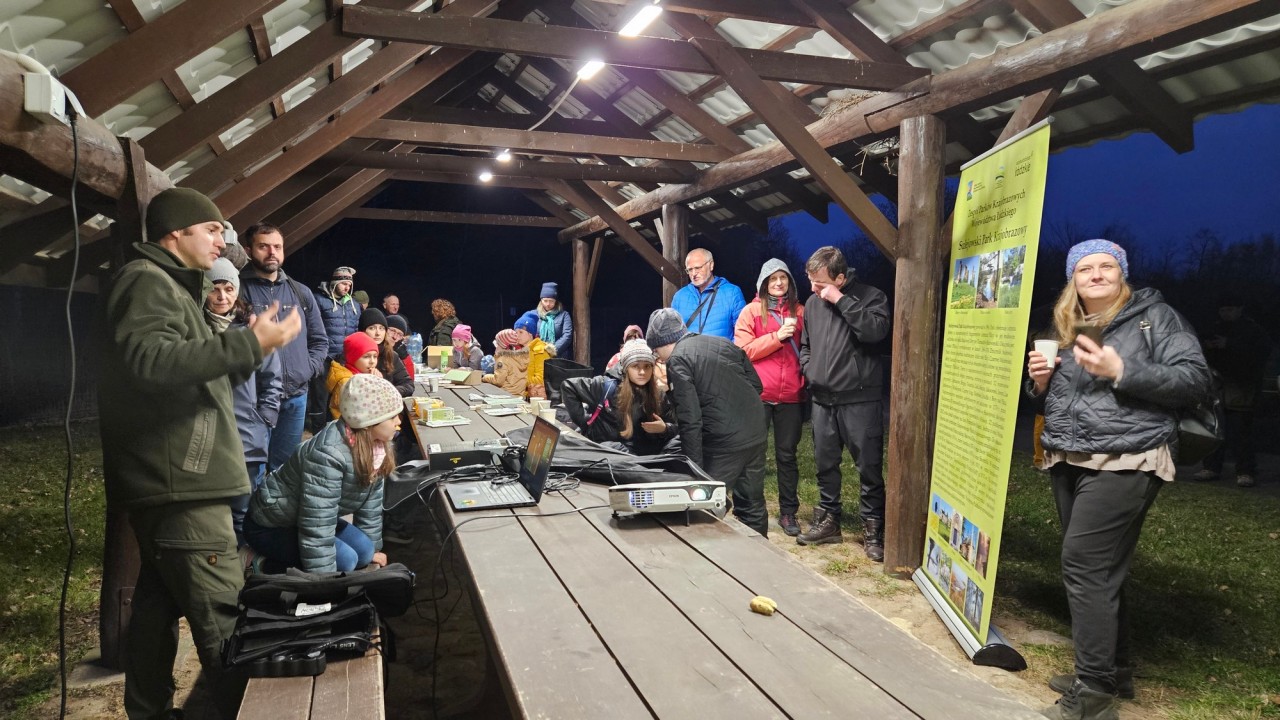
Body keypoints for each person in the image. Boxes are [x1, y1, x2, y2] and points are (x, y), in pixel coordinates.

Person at [100, 187, 301, 719]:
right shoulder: (147, 281)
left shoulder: (173, 286)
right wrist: (249, 344)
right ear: (176, 232)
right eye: (211, 228)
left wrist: (250, 349)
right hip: (182, 486)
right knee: (224, 618)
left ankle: (150, 711)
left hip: (177, 481)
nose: (223, 239)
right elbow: (149, 362)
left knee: (155, 611)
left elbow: (189, 377)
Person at [1027, 240, 1210, 719]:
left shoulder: (1156, 318)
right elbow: (1059, 397)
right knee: (1101, 570)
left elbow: (1195, 380)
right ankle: (1114, 670)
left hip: (1127, 457)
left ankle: (1093, 695)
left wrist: (1122, 369)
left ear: (1121, 273)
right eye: (1084, 268)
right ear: (1073, 279)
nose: (1096, 274)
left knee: (1086, 565)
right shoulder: (1066, 325)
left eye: (1106, 266)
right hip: (1070, 456)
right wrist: (1040, 382)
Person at [244, 373, 397, 574]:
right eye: (392, 416)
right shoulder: (327, 454)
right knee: (347, 561)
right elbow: (317, 521)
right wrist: (325, 580)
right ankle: (260, 561)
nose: (398, 421)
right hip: (272, 525)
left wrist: (373, 551)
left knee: (364, 552)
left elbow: (371, 505)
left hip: (304, 516)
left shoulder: (376, 447)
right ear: (368, 422)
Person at [797, 246, 889, 560]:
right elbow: (806, 345)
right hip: (822, 400)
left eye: (821, 283)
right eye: (810, 281)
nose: (814, 289)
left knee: (869, 468)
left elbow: (875, 333)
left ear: (840, 278)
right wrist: (809, 369)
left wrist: (840, 300)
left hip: (860, 400)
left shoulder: (872, 297)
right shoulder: (812, 304)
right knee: (825, 465)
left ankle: (874, 530)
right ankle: (828, 522)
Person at [646, 308, 767, 535]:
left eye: (656, 351)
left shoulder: (678, 360)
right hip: (756, 433)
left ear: (661, 343)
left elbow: (690, 419)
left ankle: (707, 552)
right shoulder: (723, 343)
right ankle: (761, 552)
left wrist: (696, 470)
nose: (658, 357)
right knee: (752, 503)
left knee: (705, 505)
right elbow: (756, 386)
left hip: (723, 444)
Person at [204, 258, 283, 546]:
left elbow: (272, 378)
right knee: (211, 509)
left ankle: (241, 562)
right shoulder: (196, 328)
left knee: (242, 508)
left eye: (228, 289)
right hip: (207, 435)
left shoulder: (252, 329)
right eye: (214, 289)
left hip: (247, 434)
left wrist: (264, 418)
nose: (222, 297)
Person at [239, 223, 329, 470]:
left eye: (277, 247)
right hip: (255, 400)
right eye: (263, 246)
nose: (272, 252)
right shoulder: (237, 291)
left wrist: (306, 369)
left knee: (284, 468)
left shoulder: (300, 292)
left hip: (296, 397)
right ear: (248, 250)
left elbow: (320, 340)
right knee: (252, 468)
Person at [734, 258, 807, 537]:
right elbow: (744, 351)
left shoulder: (801, 311)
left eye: (783, 278)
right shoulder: (751, 312)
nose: (778, 283)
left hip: (791, 395)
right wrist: (777, 337)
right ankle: (750, 508)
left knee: (787, 456)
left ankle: (788, 512)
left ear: (790, 281)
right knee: (753, 455)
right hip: (759, 394)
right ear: (764, 283)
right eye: (773, 278)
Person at [1194, 294, 1272, 487]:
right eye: (1222, 310)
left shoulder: (1253, 330)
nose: (1225, 313)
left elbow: (1260, 355)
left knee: (1241, 432)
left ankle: (1245, 471)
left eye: (1229, 309)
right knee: (1214, 429)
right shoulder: (1214, 328)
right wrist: (1207, 347)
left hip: (1242, 386)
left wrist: (1229, 345)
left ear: (1239, 309)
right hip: (1216, 385)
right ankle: (1211, 467)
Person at [562, 339, 678, 454]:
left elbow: (676, 426)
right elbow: (569, 387)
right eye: (636, 366)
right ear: (626, 368)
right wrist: (585, 423)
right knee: (616, 448)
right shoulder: (606, 386)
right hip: (608, 454)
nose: (642, 372)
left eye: (647, 366)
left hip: (643, 457)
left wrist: (665, 428)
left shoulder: (658, 395)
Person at [670, 248, 746, 340]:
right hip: (687, 349)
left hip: (721, 349)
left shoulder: (732, 292)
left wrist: (726, 350)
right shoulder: (679, 297)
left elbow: (742, 335)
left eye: (698, 268)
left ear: (711, 265)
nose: (693, 274)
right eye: (690, 270)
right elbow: (672, 335)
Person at [483, 312, 555, 398]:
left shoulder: (540, 351)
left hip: (530, 396)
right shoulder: (516, 349)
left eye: (521, 332)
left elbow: (540, 379)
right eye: (516, 332)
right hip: (515, 392)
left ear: (530, 334)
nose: (517, 335)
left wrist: (516, 380)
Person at [326, 332, 381, 420]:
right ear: (352, 358)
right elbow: (364, 408)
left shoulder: (364, 375)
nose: (372, 361)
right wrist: (376, 384)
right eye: (366, 357)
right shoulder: (346, 382)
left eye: (375, 356)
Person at [360, 308, 414, 397]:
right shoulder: (352, 354)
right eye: (372, 328)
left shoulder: (392, 355)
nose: (377, 333)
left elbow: (408, 384)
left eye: (381, 328)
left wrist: (387, 390)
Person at [315, 266, 364, 358]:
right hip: (325, 356)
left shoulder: (355, 305)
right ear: (335, 282)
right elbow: (313, 328)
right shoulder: (318, 300)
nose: (347, 288)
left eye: (349, 285)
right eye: (344, 284)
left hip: (348, 356)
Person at [532, 281, 573, 356]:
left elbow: (567, 335)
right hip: (538, 354)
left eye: (551, 301)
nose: (548, 304)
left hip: (559, 355)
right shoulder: (535, 314)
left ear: (556, 301)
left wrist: (552, 349)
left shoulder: (564, 315)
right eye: (545, 301)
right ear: (541, 300)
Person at [385, 313, 415, 380]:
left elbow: (410, 380)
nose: (395, 337)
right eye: (392, 331)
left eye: (399, 334)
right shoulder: (375, 350)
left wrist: (404, 357)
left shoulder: (400, 352)